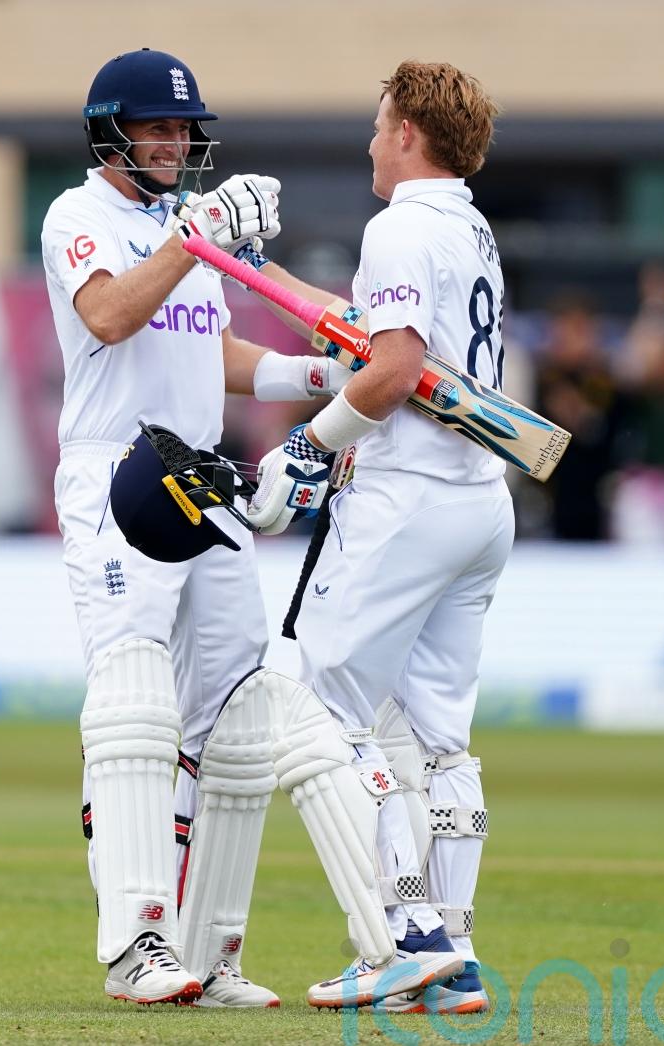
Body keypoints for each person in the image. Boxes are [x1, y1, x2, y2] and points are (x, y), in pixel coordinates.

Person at [41, 47, 348, 1008]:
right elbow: (111, 316)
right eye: (158, 128)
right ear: (111, 134)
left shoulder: (179, 223)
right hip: (119, 473)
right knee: (134, 704)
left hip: (202, 477)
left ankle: (210, 952)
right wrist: (198, 235)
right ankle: (136, 944)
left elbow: (209, 352)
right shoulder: (77, 216)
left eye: (184, 129)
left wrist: (322, 373)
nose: (176, 143)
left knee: (236, 717)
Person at [247, 60, 514, 1012]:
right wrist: (249, 265)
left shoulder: (398, 225)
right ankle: (454, 953)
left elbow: (393, 369)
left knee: (324, 709)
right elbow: (364, 331)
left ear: (407, 132)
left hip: (408, 496)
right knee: (441, 741)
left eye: (377, 124)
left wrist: (307, 446)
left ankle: (405, 936)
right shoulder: (467, 224)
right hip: (479, 500)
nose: (369, 141)